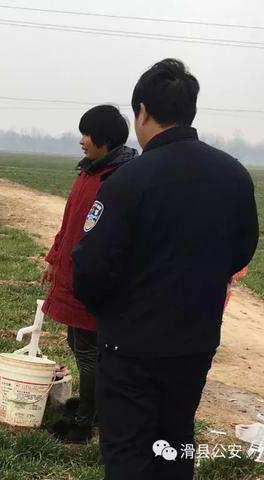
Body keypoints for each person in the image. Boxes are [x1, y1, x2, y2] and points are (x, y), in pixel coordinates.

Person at [72, 59, 258, 479]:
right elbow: (241, 252)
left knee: (128, 452)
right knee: (173, 446)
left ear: (142, 112)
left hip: (130, 348)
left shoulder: (128, 180)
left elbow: (91, 269)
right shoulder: (233, 175)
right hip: (194, 343)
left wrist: (111, 312)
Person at [40, 105, 137, 443]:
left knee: (90, 351)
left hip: (92, 280)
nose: (81, 140)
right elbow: (70, 225)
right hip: (72, 273)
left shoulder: (118, 179)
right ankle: (93, 407)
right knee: (79, 343)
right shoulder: (88, 173)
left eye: (87, 134)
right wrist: (54, 258)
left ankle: (84, 423)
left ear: (105, 140)